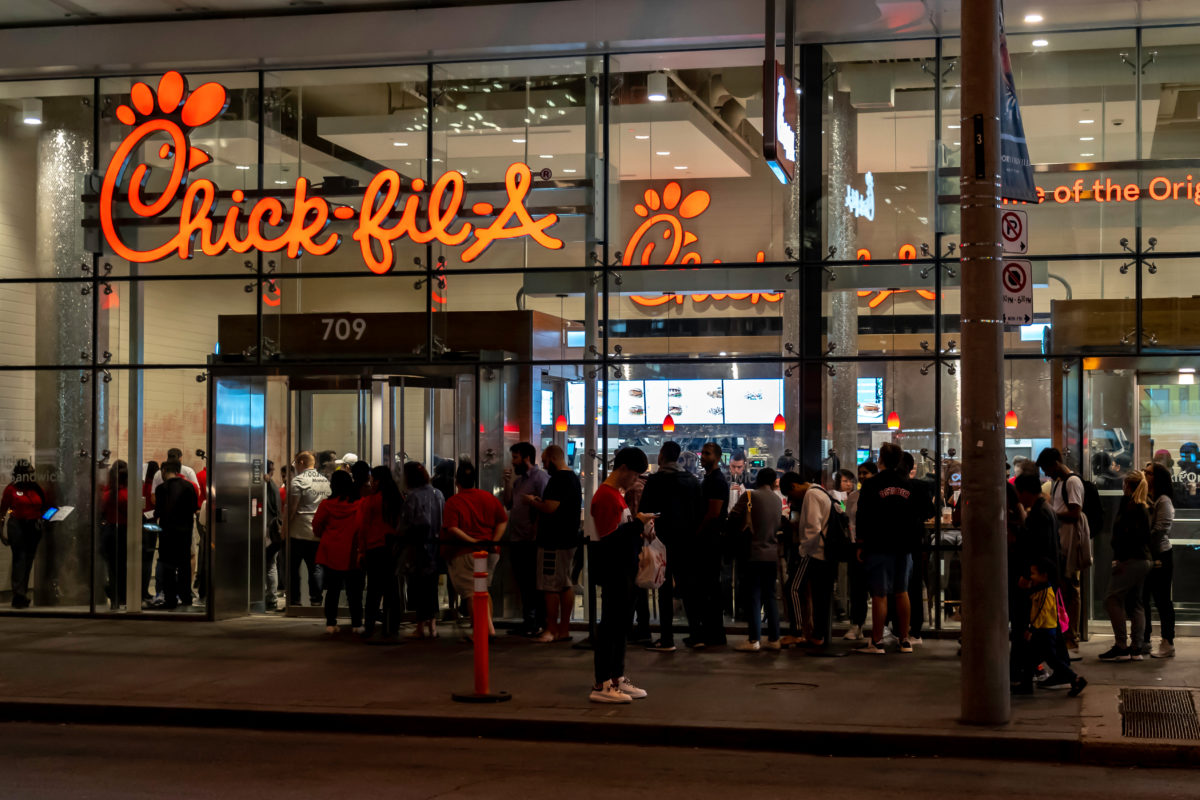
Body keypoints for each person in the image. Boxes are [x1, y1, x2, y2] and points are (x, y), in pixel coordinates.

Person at [588, 447, 652, 704]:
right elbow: (608, 540)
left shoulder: (616, 495)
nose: (635, 480)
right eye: (635, 474)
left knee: (620, 626)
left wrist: (638, 527)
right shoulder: (605, 497)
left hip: (624, 569)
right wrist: (637, 524)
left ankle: (616, 677)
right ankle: (603, 683)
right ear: (623, 468)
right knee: (611, 628)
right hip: (614, 570)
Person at [639, 441, 702, 653]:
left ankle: (667, 639)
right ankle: (696, 634)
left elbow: (645, 512)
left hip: (662, 542)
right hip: (688, 542)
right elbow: (698, 512)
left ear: (662, 456)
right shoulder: (692, 481)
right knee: (689, 588)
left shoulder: (655, 481)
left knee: (664, 589)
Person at [854, 442, 915, 654]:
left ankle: (877, 642)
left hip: (878, 544)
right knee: (901, 592)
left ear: (880, 460)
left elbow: (862, 516)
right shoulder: (908, 485)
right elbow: (917, 514)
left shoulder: (871, 485)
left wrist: (860, 543)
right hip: (903, 544)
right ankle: (905, 640)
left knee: (879, 594)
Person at [442, 460, 507, 638]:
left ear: (457, 481)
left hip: (465, 553)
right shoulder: (488, 497)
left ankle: (484, 632)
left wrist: (472, 541)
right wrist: (493, 540)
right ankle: (487, 629)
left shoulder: (454, 502)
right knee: (483, 590)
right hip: (490, 551)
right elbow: (503, 520)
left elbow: (452, 528)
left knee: (472, 593)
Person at [1036, 448, 1092, 652]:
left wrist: (1052, 514)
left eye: (1047, 468)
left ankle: (1071, 636)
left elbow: (1075, 512)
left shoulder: (1072, 482)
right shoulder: (1059, 483)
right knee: (1062, 588)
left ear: (1056, 463)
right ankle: (1063, 632)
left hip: (1070, 543)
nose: (1047, 473)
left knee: (1070, 590)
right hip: (1060, 542)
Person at [525, 445, 582, 644]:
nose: (543, 464)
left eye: (544, 460)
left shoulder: (558, 479)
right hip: (568, 539)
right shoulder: (573, 478)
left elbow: (550, 507)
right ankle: (564, 630)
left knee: (550, 587)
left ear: (552, 458)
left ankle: (551, 629)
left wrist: (532, 502)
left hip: (553, 541)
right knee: (566, 584)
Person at [1011, 473, 1059, 689]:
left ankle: (1026, 675)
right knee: (1040, 631)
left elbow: (1036, 549)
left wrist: (1028, 576)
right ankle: (1033, 674)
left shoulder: (1038, 514)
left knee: (1029, 629)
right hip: (1043, 578)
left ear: (1026, 492)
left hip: (1037, 581)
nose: (1019, 498)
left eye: (1019, 493)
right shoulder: (1045, 510)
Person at [1099, 469, 1153, 662]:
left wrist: (1119, 559)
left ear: (1128, 486)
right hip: (1144, 560)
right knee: (1136, 602)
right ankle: (1136, 648)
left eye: (1124, 484)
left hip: (1131, 560)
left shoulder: (1131, 507)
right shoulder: (1144, 507)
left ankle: (1121, 645)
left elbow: (1124, 537)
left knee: (1111, 599)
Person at [1015, 557, 1087, 698]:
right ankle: (1027, 685)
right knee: (1035, 659)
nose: (1031, 576)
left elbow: (1040, 614)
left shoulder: (1045, 592)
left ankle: (1076, 679)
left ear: (1044, 575)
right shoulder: (1041, 589)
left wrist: (1031, 629)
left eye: (1034, 573)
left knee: (1051, 660)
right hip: (1045, 631)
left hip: (1044, 632)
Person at [730, 468, 783, 651]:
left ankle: (754, 639)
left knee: (753, 595)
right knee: (770, 596)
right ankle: (775, 638)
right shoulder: (777, 500)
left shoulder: (750, 496)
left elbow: (733, 516)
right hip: (771, 554)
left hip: (753, 553)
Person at [502, 442, 550, 637]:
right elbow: (508, 503)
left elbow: (546, 505)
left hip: (531, 539)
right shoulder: (518, 481)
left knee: (533, 583)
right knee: (523, 582)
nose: (513, 462)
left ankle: (538, 621)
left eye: (515, 457)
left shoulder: (540, 478)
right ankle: (528, 620)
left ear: (526, 458)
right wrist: (506, 483)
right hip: (517, 538)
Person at [785, 467, 835, 649]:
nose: (794, 499)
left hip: (815, 552)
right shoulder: (821, 491)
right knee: (820, 596)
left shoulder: (812, 495)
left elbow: (813, 528)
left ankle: (797, 632)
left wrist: (803, 550)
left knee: (792, 588)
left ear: (794, 486)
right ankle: (818, 635)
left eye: (791, 494)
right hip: (826, 553)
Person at [313, 470, 364, 635]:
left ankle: (331, 623)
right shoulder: (359, 504)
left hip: (331, 552)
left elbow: (317, 527)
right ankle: (357, 623)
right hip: (352, 551)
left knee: (333, 590)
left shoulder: (326, 505)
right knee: (354, 591)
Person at [689, 441, 729, 648]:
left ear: (718, 457)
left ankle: (714, 635)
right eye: (702, 453)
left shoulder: (717, 481)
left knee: (710, 588)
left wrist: (696, 532)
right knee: (706, 588)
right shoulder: (710, 479)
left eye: (707, 453)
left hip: (710, 541)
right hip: (708, 539)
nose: (702, 456)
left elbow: (713, 513)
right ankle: (710, 633)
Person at [399, 461, 444, 640]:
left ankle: (420, 626)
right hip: (435, 545)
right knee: (431, 587)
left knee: (417, 587)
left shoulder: (413, 496)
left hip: (417, 546)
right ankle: (432, 625)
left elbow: (407, 523)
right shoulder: (438, 494)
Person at [360, 465, 403, 639]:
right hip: (392, 547)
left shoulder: (371, 500)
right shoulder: (397, 498)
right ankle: (393, 625)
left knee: (374, 590)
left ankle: (370, 626)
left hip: (374, 547)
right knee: (392, 589)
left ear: (376, 480)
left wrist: (361, 550)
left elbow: (364, 527)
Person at [0, 461, 47, 609]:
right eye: (28, 473)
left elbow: (44, 506)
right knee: (19, 559)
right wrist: (1, 533)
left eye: (31, 473)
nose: (31, 475)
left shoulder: (36, 488)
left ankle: (22, 593)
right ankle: (18, 594)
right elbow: (2, 512)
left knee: (28, 560)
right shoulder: (11, 489)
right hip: (18, 525)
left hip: (33, 526)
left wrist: (46, 518)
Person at [153, 460, 198, 610]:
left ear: (164, 470)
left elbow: (158, 511)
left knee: (168, 567)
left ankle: (170, 599)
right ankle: (186, 597)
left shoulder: (161, 489)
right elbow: (193, 508)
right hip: (185, 532)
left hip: (167, 533)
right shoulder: (189, 487)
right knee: (184, 565)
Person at [287, 451, 331, 608]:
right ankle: (316, 600)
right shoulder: (325, 481)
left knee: (293, 569)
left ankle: (294, 601)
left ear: (301, 463)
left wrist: (284, 529)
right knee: (316, 568)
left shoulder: (298, 481)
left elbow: (292, 509)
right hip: (318, 531)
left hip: (299, 531)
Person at [1142, 463, 1176, 658]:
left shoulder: (1163, 500)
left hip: (1160, 554)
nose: (1145, 476)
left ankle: (1167, 641)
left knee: (1162, 599)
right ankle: (1145, 639)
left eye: (1149, 473)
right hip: (1148, 554)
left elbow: (1160, 529)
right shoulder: (1148, 498)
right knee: (1144, 597)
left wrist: (1142, 540)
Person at [901, 451, 934, 645]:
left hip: (897, 541)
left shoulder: (892, 488)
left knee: (900, 586)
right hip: (915, 538)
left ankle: (902, 630)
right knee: (913, 585)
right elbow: (930, 511)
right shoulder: (920, 487)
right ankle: (914, 630)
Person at [843, 462, 875, 641]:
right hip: (856, 546)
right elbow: (850, 522)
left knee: (877, 589)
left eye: (866, 473)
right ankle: (857, 625)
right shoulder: (854, 497)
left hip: (874, 547)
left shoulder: (879, 496)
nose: (862, 476)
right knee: (857, 588)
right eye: (860, 473)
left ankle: (881, 627)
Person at [100, 460, 130, 609]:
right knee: (124, 567)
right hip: (124, 531)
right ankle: (123, 598)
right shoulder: (127, 494)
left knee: (112, 568)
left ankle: (115, 599)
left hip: (110, 531)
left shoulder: (107, 493)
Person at [263, 460, 284, 611]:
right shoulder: (275, 487)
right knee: (271, 565)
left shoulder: (268, 486)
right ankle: (271, 597)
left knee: (269, 565)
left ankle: (270, 597)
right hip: (272, 531)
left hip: (267, 531)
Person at [141, 460, 159, 605]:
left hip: (140, 523)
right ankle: (144, 590)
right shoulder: (154, 488)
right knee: (148, 557)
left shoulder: (140, 485)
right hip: (151, 524)